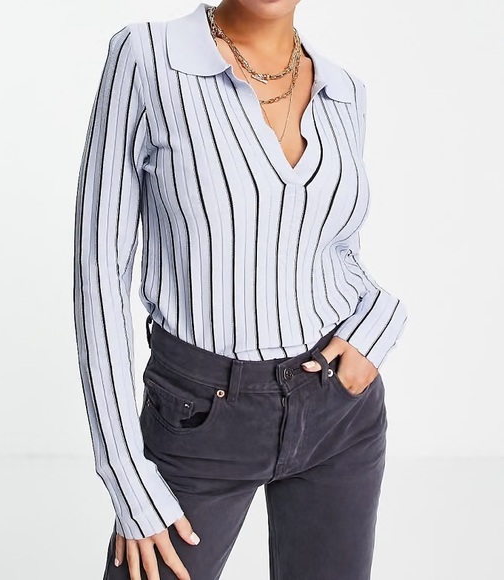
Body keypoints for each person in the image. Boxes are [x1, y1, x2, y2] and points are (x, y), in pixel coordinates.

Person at [73, 1, 408, 578]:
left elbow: (335, 251)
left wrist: (381, 323)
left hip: (338, 414)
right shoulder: (149, 57)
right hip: (199, 416)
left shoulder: (344, 93)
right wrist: (126, 475)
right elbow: (97, 271)